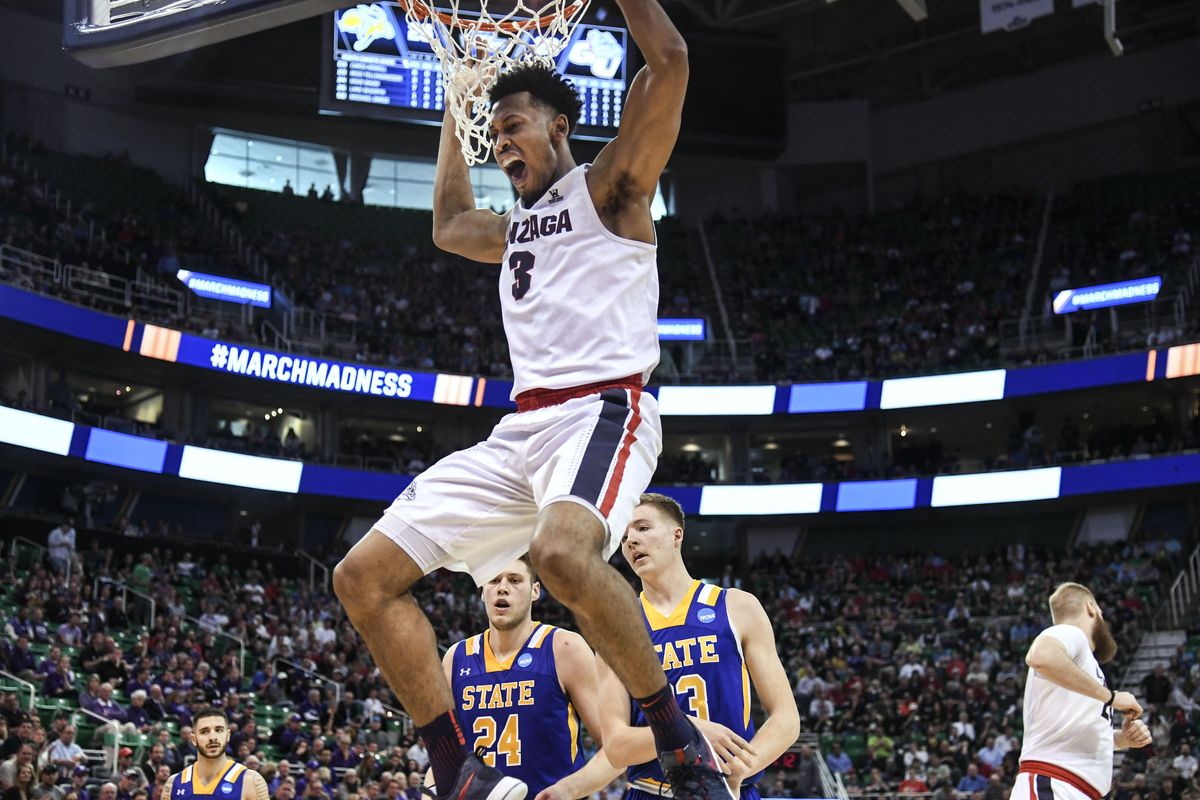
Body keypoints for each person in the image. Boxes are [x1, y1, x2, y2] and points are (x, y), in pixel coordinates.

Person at [332, 1, 715, 799]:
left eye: (514, 126)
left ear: (562, 128)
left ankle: (676, 741)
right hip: (523, 427)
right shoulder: (511, 231)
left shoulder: (611, 190)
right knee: (360, 579)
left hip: (603, 409)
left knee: (561, 557)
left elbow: (670, 61)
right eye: (495, 133)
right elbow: (446, 224)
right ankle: (458, 771)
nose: (502, 140)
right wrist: (453, 109)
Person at [590, 494, 801, 800]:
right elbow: (617, 745)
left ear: (677, 535)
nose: (631, 540)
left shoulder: (737, 607)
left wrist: (740, 769)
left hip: (728, 788)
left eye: (643, 528)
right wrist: (690, 731)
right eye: (624, 536)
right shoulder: (615, 629)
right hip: (652, 791)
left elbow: (786, 718)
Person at [438, 556, 604, 799]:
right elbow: (442, 756)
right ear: (483, 591)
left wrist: (568, 790)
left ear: (535, 591)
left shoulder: (564, 647)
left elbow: (615, 748)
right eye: (494, 580)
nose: (502, 587)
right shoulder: (456, 658)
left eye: (515, 580)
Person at [1010, 582, 1153, 800]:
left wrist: (1121, 739)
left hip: (1075, 788)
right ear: (1091, 608)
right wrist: (1112, 697)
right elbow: (1040, 657)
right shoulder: (1071, 634)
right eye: (1101, 613)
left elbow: (1072, 729)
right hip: (1054, 782)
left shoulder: (1083, 667)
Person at [158, 708, 270, 800]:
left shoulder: (250, 781)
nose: (212, 738)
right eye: (205, 731)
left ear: (228, 735)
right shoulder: (174, 784)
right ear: (193, 739)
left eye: (219, 730)